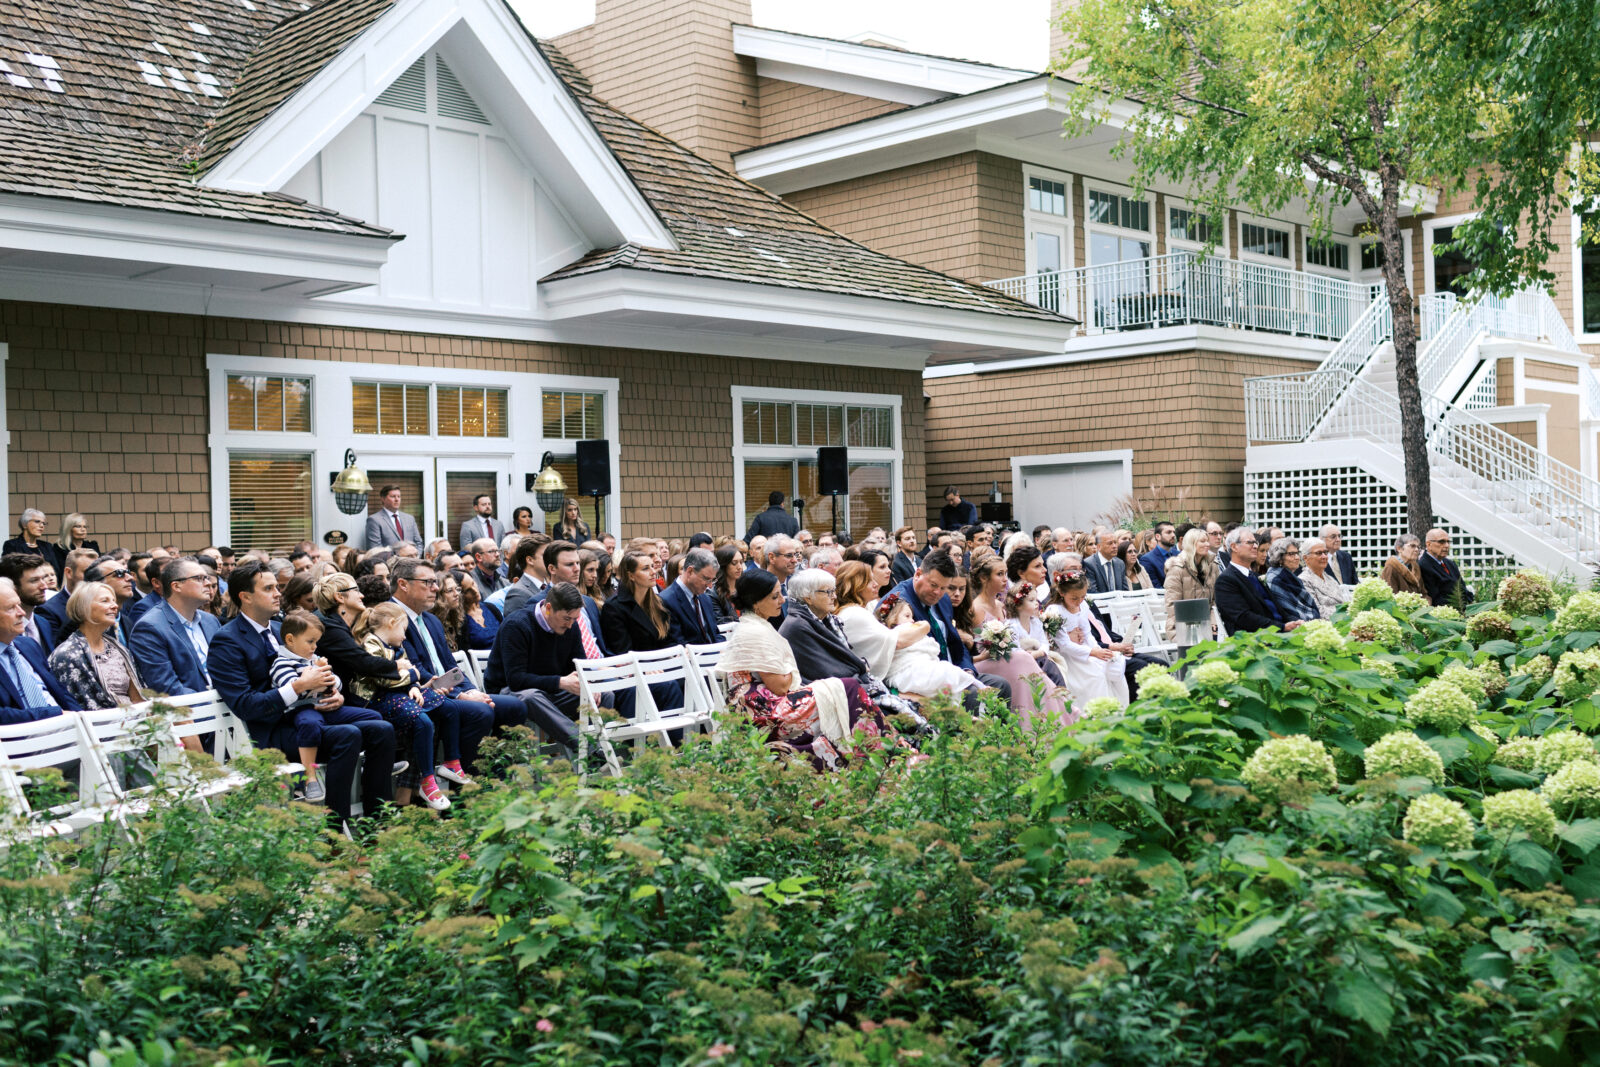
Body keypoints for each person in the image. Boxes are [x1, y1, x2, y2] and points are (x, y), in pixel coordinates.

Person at [208, 561, 396, 827]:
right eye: (269, 588)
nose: (278, 594)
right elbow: (245, 705)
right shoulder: (227, 639)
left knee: (382, 729)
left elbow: (315, 670)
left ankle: (377, 824)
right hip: (270, 730)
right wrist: (297, 688)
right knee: (348, 735)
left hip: (310, 716)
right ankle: (336, 832)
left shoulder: (280, 628)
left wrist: (333, 692)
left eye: (277, 587)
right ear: (245, 597)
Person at [715, 569, 910, 772]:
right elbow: (780, 686)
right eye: (775, 596)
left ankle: (880, 753)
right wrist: (791, 667)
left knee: (847, 689)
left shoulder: (758, 625)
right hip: (763, 709)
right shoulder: (757, 631)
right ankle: (883, 754)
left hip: (762, 700)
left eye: (780, 593)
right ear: (756, 602)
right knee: (848, 689)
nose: (782, 600)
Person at [389, 558, 514, 775]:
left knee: (514, 706)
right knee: (481, 711)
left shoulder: (430, 619)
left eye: (434, 582)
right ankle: (466, 787)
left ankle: (499, 775)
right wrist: (460, 695)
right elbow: (415, 669)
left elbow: (449, 665)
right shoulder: (390, 617)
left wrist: (470, 689)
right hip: (420, 694)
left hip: (448, 690)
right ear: (403, 584)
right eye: (427, 583)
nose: (435, 588)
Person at [349, 601, 464, 810]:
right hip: (376, 700)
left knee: (448, 708)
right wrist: (413, 675)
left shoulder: (397, 646)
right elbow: (383, 678)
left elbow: (405, 672)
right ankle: (427, 780)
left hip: (399, 693)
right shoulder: (371, 644)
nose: (405, 636)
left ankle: (452, 762)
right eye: (404, 629)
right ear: (392, 624)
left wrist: (414, 685)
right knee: (423, 722)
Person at [269, 609, 373, 805]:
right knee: (309, 724)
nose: (315, 647)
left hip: (325, 707)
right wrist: (314, 681)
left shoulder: (313, 659)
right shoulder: (282, 663)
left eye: (316, 642)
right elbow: (292, 688)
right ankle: (310, 777)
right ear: (290, 640)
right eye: (310, 641)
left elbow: (338, 683)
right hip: (301, 710)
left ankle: (368, 764)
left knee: (373, 717)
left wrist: (331, 683)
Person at [480, 582, 593, 758]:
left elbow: (578, 665)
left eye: (574, 619)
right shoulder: (517, 625)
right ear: (549, 608)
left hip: (550, 689)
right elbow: (516, 680)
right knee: (531, 696)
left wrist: (588, 685)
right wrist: (560, 682)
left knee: (602, 694)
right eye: (566, 619)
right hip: (507, 691)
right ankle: (589, 748)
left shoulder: (571, 626)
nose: (570, 625)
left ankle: (593, 759)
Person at [887, 550, 1012, 705]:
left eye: (943, 587)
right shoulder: (897, 603)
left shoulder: (943, 599)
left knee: (1001, 685)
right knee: (973, 695)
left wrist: (967, 670)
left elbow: (954, 643)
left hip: (954, 670)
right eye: (933, 585)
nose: (938, 593)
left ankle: (999, 730)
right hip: (924, 678)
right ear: (918, 574)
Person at [968, 555, 1067, 729]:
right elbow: (973, 647)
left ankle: (1053, 715)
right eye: (999, 574)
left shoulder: (1000, 605)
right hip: (986, 662)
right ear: (984, 578)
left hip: (1009, 657)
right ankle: (1031, 723)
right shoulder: (975, 608)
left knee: (1032, 661)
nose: (1005, 579)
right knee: (1023, 658)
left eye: (1006, 573)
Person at [47, 580, 145, 710]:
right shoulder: (67, 655)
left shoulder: (118, 648)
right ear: (84, 607)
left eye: (113, 600)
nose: (114, 606)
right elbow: (81, 707)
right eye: (105, 601)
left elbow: (137, 697)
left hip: (134, 721)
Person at [129, 557, 220, 695]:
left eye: (207, 578)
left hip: (228, 707)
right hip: (191, 711)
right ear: (176, 586)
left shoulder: (210, 621)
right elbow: (166, 687)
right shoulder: (150, 628)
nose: (208, 584)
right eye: (199, 578)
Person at [1043, 568, 1129, 712]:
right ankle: (1093, 714)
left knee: (1113, 670)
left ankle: (1116, 712)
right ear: (1062, 593)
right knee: (1096, 677)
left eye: (1082, 596)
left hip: (1086, 650)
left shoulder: (1083, 606)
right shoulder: (1055, 611)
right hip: (1069, 657)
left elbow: (1087, 634)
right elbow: (1064, 645)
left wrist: (1099, 651)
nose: (1079, 601)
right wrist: (1092, 653)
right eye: (1074, 598)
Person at [0, 577, 78, 723]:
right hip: (25, 737)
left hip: (67, 726)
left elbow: (60, 692)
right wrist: (53, 714)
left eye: (19, 605)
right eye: (11, 608)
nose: (21, 613)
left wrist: (81, 717)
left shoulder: (28, 645)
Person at [1215, 528, 1301, 635]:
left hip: (1279, 633)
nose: (1255, 546)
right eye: (1250, 543)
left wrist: (1293, 622)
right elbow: (1243, 617)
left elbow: (1277, 608)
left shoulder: (1255, 576)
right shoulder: (1226, 580)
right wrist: (1282, 627)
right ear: (1234, 547)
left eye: (1255, 543)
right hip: (1255, 641)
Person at [601, 551, 683, 653]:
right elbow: (622, 650)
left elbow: (669, 640)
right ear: (631, 576)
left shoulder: (659, 602)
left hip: (663, 663)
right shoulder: (614, 607)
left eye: (652, 566)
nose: (653, 572)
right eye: (645, 568)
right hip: (637, 666)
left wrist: (676, 653)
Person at [1162, 529, 1218, 641]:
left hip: (1208, 623)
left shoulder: (1212, 566)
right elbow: (1173, 605)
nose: (1207, 544)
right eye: (1202, 541)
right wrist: (1195, 627)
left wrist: (1213, 623)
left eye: (1207, 541)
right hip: (1182, 625)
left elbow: (1215, 602)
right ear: (1191, 544)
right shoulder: (1176, 568)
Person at [663, 548, 723, 645]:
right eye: (707, 579)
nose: (710, 585)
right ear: (690, 571)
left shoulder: (705, 598)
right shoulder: (667, 601)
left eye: (713, 580)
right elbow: (677, 643)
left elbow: (715, 634)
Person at [0, 553, 57, 652]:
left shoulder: (44, 624)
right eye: (34, 581)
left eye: (43, 578)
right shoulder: (5, 631)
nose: (44, 586)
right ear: (13, 586)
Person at [1263, 539, 1320, 622]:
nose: (1297, 558)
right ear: (1279, 557)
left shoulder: (1290, 576)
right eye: (1291, 554)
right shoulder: (1275, 579)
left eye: (1297, 553)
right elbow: (1289, 611)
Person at [500, 535, 554, 618]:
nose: (551, 559)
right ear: (530, 560)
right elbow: (516, 628)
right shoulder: (518, 593)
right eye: (545, 555)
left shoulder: (548, 587)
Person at [1419, 528, 1473, 606]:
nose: (1447, 545)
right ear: (1428, 544)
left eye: (1448, 542)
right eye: (1441, 542)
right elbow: (1435, 598)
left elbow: (1463, 588)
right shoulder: (1424, 566)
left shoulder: (1450, 563)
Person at [1298, 538, 1349, 619]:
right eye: (1319, 553)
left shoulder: (1330, 578)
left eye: (1325, 552)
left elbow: (1343, 603)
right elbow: (1317, 611)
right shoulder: (1303, 580)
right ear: (1305, 558)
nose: (1324, 556)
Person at [2, 509, 61, 578]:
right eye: (37, 522)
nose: (42, 526)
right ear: (24, 524)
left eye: (43, 523)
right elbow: (9, 571)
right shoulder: (12, 545)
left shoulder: (47, 546)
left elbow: (56, 570)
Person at [364, 484, 423, 552]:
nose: (397, 499)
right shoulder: (374, 520)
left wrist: (415, 556)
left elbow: (419, 543)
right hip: (389, 562)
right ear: (383, 499)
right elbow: (375, 549)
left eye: (399, 496)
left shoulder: (409, 519)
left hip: (411, 561)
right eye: (393, 496)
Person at [458, 574, 498, 651]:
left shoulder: (491, 608)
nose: (475, 591)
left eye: (473, 584)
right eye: (468, 590)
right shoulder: (462, 620)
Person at [1382, 533, 1428, 600]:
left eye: (1418, 547)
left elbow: (1423, 593)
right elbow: (1391, 597)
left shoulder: (1415, 567)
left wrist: (1426, 603)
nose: (1416, 550)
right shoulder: (1391, 567)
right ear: (1399, 549)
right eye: (1412, 546)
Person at [54, 513, 98, 581]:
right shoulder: (60, 549)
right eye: (78, 526)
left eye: (85, 527)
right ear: (68, 529)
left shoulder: (92, 546)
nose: (83, 529)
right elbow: (60, 573)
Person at [430, 571, 464, 652]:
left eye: (457, 589)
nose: (456, 594)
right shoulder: (431, 622)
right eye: (450, 591)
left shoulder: (453, 617)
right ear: (438, 595)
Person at [711, 544, 743, 623]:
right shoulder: (713, 593)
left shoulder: (744, 587)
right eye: (734, 563)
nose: (739, 567)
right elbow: (720, 623)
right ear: (724, 565)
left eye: (741, 562)